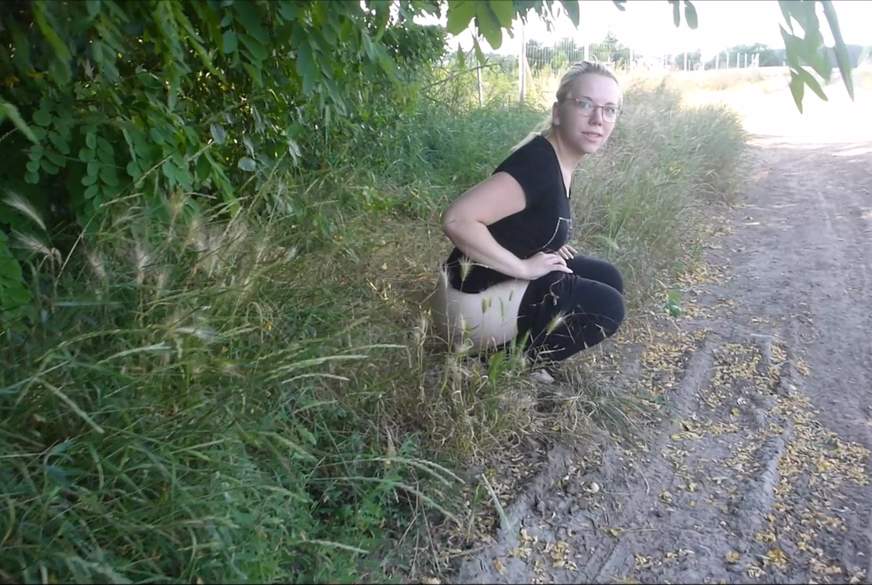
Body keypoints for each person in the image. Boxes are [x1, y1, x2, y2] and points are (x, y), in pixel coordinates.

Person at [432, 61, 625, 375]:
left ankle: (516, 354)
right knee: (607, 307)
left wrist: (545, 247)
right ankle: (496, 366)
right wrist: (522, 268)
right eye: (585, 104)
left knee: (608, 277)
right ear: (558, 112)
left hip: (489, 294)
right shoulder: (538, 165)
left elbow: (521, 223)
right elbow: (457, 219)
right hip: (469, 306)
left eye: (609, 109)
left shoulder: (560, 159)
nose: (597, 119)